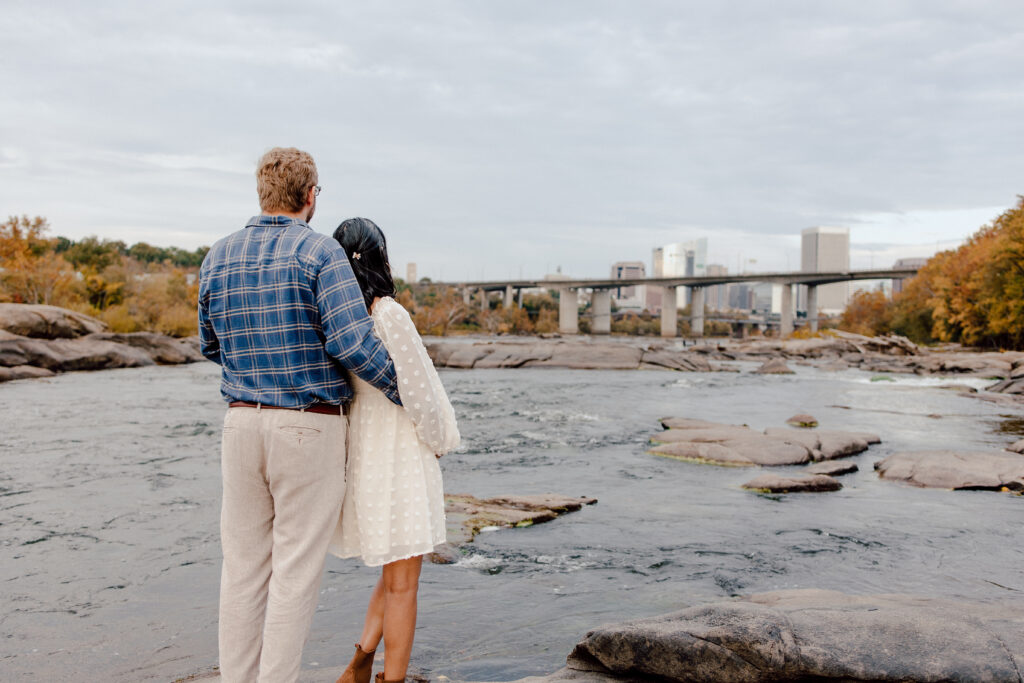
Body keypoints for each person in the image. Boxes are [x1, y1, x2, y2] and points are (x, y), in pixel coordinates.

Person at [198, 148, 403, 683]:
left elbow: (209, 345)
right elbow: (352, 344)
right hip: (308, 424)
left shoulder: (217, 255)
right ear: (310, 196)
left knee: (241, 571)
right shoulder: (321, 255)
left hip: (240, 423)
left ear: (262, 193)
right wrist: (406, 392)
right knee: (293, 574)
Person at [328, 217, 460, 683]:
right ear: (379, 257)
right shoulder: (388, 313)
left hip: (363, 449)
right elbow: (418, 388)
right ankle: (392, 679)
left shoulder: (337, 317)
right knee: (404, 582)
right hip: (399, 447)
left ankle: (359, 664)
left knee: (391, 572)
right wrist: (440, 439)